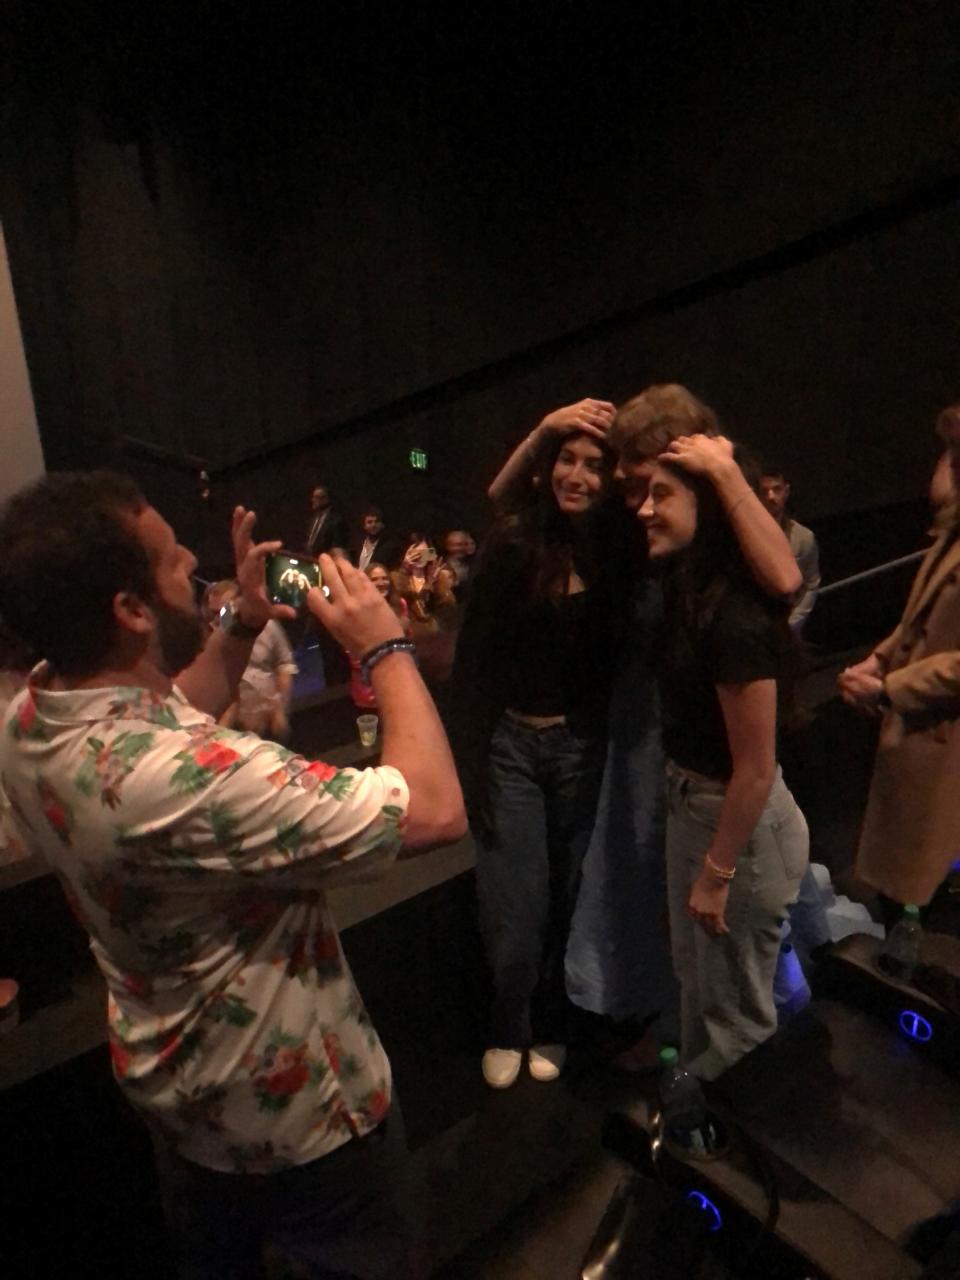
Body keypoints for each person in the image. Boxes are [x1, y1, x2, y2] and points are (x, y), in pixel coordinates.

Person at [0, 471, 465, 1280]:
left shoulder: (31, 719)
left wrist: (242, 627)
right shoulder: (197, 777)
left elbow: (154, 713)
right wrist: (386, 646)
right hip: (304, 1126)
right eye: (169, 555)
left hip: (182, 1104)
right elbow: (431, 810)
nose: (193, 557)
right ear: (131, 611)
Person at [453, 398, 639, 1088]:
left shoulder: (620, 547)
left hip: (580, 747)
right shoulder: (517, 540)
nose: (576, 474)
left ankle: (554, 1021)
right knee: (514, 906)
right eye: (567, 458)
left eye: (594, 465)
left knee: (569, 897)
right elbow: (499, 495)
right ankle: (509, 1022)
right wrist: (543, 428)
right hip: (511, 746)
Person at [638, 444, 809, 1080]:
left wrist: (716, 872)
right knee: (706, 986)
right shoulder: (688, 584)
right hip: (697, 806)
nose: (644, 510)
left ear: (705, 509)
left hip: (735, 826)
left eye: (661, 496)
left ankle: (740, 1136)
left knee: (737, 1021)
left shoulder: (732, 616)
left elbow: (756, 769)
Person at [839, 402, 960, 915]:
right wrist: (879, 660)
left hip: (943, 735)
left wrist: (891, 687)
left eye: (952, 454)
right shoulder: (951, 529)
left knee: (924, 896)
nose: (944, 465)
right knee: (903, 890)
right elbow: (919, 618)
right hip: (921, 730)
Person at [202, 579, 299, 741]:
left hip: (269, 720)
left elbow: (285, 664)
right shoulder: (205, 637)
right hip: (231, 728)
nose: (220, 619)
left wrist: (281, 703)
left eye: (225, 611)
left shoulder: (267, 627)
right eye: (214, 612)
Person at [759, 467, 820, 634]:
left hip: (787, 626)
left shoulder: (803, 537)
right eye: (765, 491)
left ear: (786, 491)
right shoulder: (745, 534)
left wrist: (792, 624)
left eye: (776, 489)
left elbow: (811, 585)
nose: (771, 497)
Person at [349, 564, 413, 710]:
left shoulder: (400, 604)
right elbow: (356, 656)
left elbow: (408, 644)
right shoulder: (357, 610)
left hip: (399, 680)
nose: (381, 583)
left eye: (384, 578)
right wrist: (395, 634)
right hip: (370, 687)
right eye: (375, 579)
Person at [305, 482, 350, 558]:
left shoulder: (336, 521)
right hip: (308, 559)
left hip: (324, 562)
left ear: (326, 499)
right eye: (313, 497)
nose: (313, 500)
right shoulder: (313, 519)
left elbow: (337, 549)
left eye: (316, 497)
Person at [354, 506, 402, 573]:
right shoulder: (358, 545)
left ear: (382, 525)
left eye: (376, 522)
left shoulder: (389, 546)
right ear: (364, 526)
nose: (373, 525)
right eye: (370, 522)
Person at [437, 529, 475, 602]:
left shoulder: (473, 564)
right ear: (448, 546)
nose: (462, 548)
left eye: (465, 544)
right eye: (458, 545)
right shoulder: (440, 564)